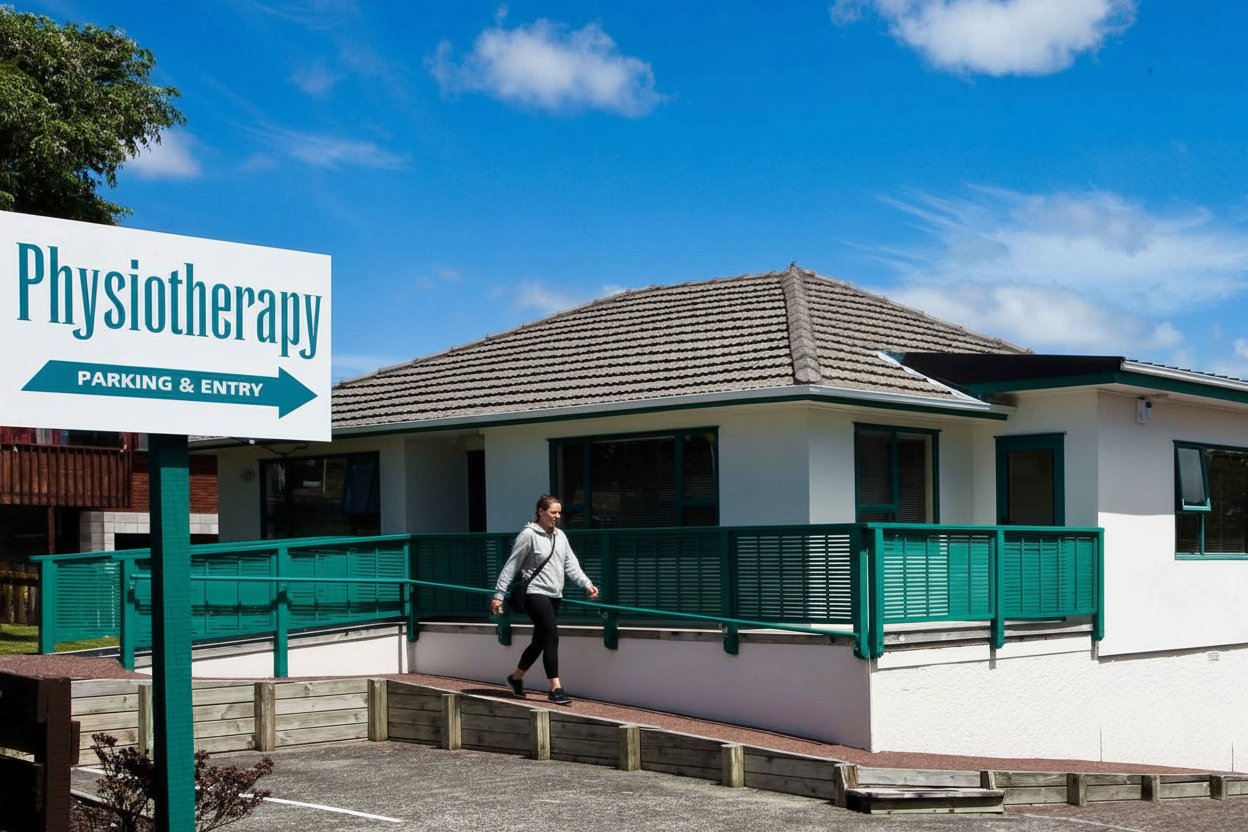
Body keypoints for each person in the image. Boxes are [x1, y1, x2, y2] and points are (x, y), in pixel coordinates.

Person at [491, 494, 598, 705]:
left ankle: (516, 678)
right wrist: (498, 595)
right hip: (534, 592)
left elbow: (571, 565)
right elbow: (511, 565)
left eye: (559, 513)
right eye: (553, 512)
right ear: (541, 511)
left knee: (540, 641)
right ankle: (555, 688)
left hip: (554, 594)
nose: (557, 516)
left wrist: (586, 583)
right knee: (552, 635)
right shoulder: (528, 535)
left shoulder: (561, 537)